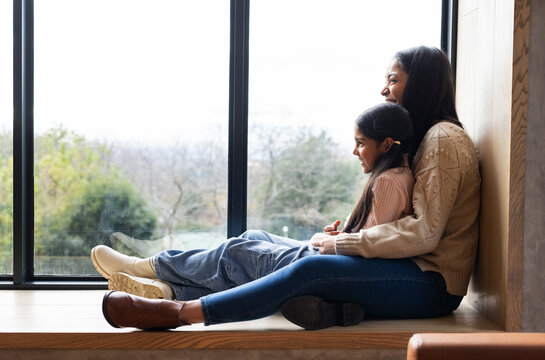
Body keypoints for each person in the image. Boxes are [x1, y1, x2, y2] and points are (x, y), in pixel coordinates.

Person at [98, 45, 480, 331]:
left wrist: (343, 243)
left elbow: (424, 232)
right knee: (253, 238)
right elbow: (400, 218)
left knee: (307, 267)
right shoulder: (423, 141)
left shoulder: (443, 140)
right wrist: (345, 233)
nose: (384, 90)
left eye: (393, 79)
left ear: (423, 84)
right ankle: (168, 286)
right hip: (406, 268)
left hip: (430, 283)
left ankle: (177, 310)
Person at [93, 101, 415, 329]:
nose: (355, 151)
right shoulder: (395, 176)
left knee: (236, 252)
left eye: (361, 143)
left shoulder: (388, 181)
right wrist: (337, 237)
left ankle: (147, 267)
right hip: (334, 258)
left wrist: (328, 241)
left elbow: (368, 250)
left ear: (386, 144)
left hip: (332, 264)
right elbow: (371, 237)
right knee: (252, 237)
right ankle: (169, 292)